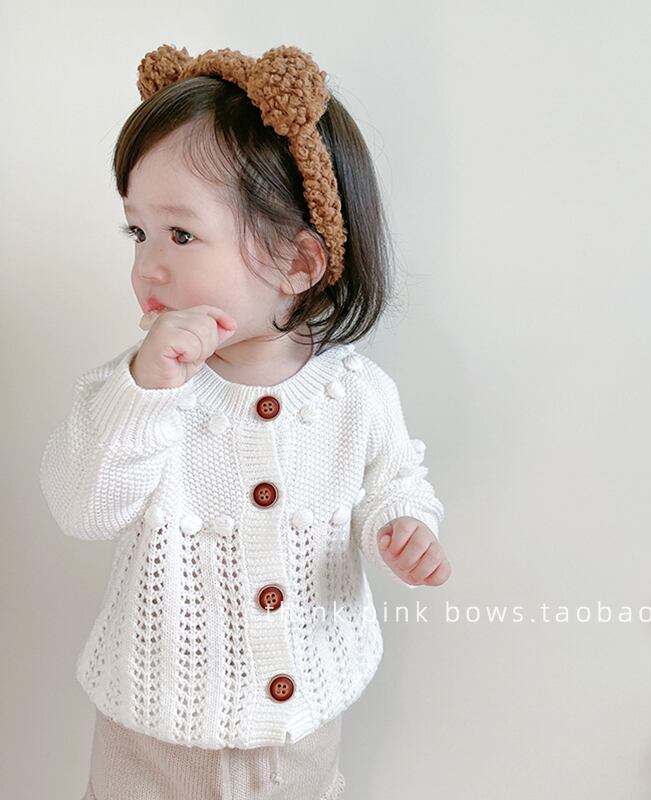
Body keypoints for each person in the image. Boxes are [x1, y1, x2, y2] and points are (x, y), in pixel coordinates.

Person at [39, 43, 451, 800]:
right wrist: (145, 390)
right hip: (152, 744)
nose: (148, 265)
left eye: (181, 234)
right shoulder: (136, 391)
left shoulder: (357, 395)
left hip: (303, 734)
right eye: (137, 232)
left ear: (298, 262)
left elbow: (394, 481)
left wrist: (401, 523)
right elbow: (82, 507)